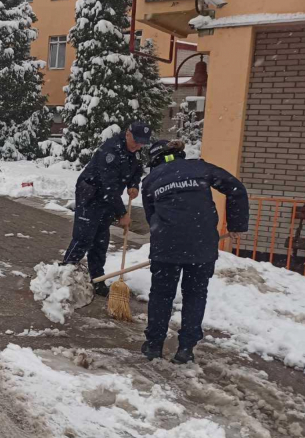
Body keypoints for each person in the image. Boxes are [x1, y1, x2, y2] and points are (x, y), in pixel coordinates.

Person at [140, 139, 248, 364]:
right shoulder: (200, 167)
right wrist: (236, 225)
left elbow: (151, 217)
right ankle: (186, 348)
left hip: (166, 246)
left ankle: (153, 345)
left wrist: (167, 233)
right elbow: (236, 188)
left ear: (155, 160)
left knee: (161, 294)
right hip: (201, 244)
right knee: (195, 295)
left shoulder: (150, 180)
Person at [62, 121, 152, 295]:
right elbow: (108, 186)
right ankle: (63, 275)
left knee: (101, 241)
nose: (139, 146)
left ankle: (98, 280)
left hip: (107, 200)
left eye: (143, 142)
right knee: (84, 238)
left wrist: (134, 185)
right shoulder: (111, 150)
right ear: (127, 134)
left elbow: (137, 170)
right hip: (90, 194)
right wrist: (122, 214)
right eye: (136, 141)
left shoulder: (135, 152)